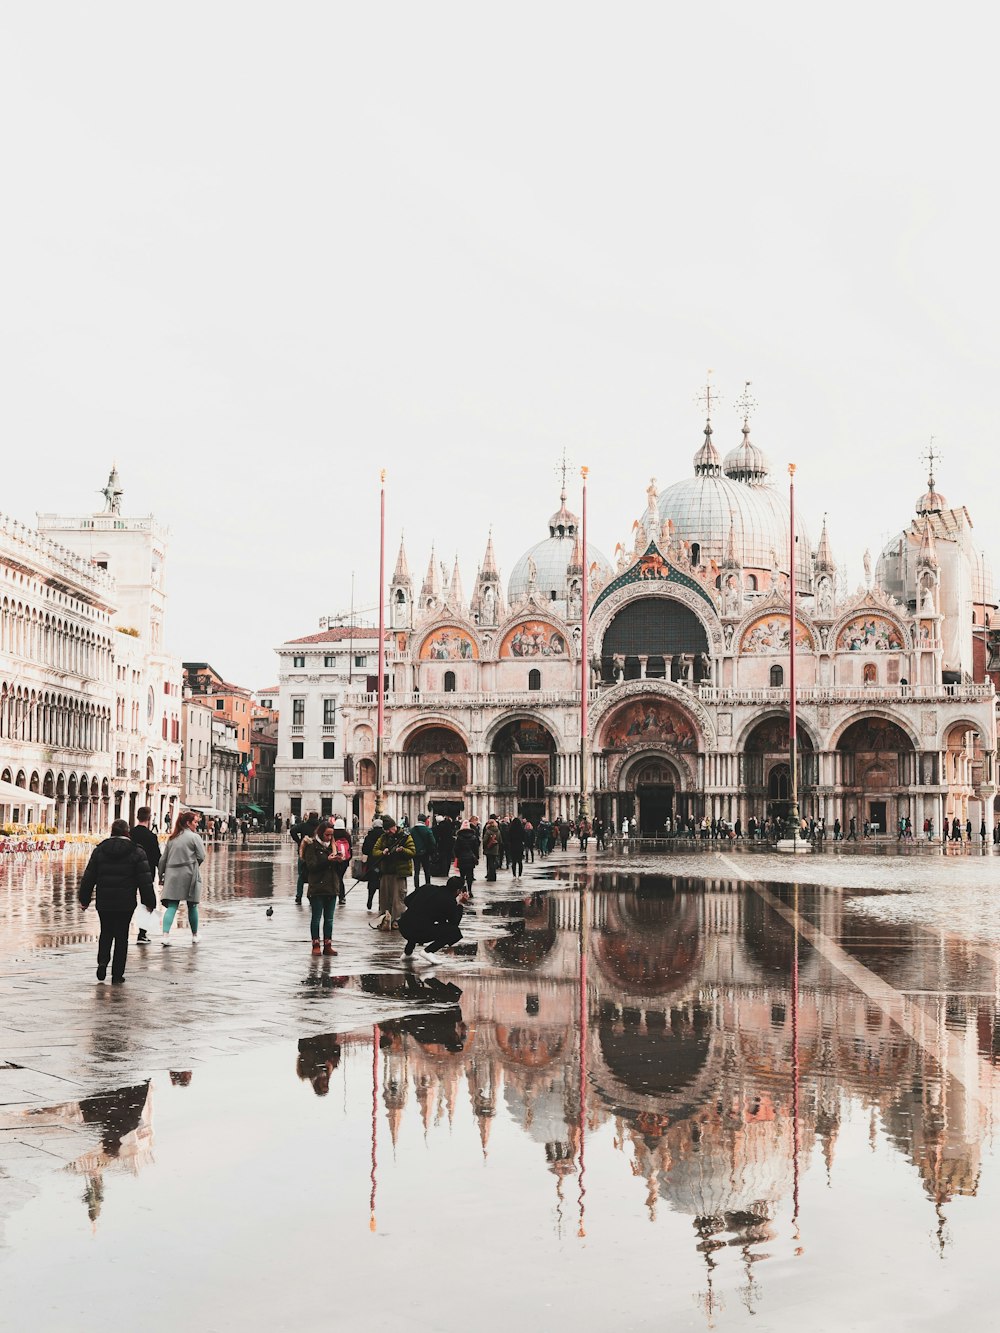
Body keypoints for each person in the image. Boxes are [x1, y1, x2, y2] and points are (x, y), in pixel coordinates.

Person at [78, 818, 156, 983]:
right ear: (127, 832)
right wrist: (149, 902)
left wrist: (84, 899)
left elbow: (89, 877)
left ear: (112, 832)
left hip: (104, 901)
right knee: (122, 937)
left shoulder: (100, 850)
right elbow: (145, 880)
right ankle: (117, 974)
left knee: (106, 932)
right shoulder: (137, 851)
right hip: (125, 902)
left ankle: (102, 962)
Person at [158, 810, 207, 945]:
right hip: (189, 873)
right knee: (192, 905)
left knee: (172, 906)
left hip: (172, 874)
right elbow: (202, 856)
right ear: (188, 823)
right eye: (195, 822)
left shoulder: (172, 838)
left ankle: (165, 936)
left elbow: (163, 860)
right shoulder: (194, 837)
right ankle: (195, 935)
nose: (197, 824)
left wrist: (161, 875)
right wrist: (195, 865)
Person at [398, 874, 468, 964]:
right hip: (417, 931)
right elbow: (454, 923)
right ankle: (428, 951)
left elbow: (407, 900)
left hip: (403, 925)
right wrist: (461, 904)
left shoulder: (427, 887)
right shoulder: (450, 901)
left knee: (417, 920)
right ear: (458, 891)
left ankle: (407, 953)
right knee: (454, 932)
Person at [302, 821, 341, 955]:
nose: (329, 838)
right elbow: (311, 866)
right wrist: (327, 860)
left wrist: (340, 861)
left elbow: (338, 871)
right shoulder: (311, 845)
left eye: (331, 835)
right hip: (317, 887)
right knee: (316, 918)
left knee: (329, 919)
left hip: (331, 886)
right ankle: (315, 945)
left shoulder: (333, 846)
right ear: (320, 833)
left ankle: (328, 944)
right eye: (327, 835)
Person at [371, 816, 416, 929]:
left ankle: (398, 920)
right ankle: (384, 919)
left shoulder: (405, 837)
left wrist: (403, 850)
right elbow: (374, 851)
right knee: (384, 898)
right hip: (385, 872)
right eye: (386, 830)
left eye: (390, 829)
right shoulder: (383, 838)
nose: (388, 832)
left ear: (394, 826)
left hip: (399, 872)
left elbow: (412, 852)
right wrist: (382, 852)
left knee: (398, 898)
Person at [131, 806, 161, 944]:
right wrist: (161, 876)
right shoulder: (152, 837)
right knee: (146, 902)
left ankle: (125, 929)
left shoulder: (130, 834)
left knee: (129, 900)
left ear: (137, 817)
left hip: (130, 871)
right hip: (147, 872)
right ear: (149, 819)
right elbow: (157, 858)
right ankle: (142, 933)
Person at [291, 812, 319, 904]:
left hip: (304, 852)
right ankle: (313, 895)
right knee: (315, 874)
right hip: (316, 853)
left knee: (301, 875)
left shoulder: (303, 825)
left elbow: (292, 831)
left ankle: (299, 896)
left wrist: (299, 841)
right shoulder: (319, 827)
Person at [361, 818, 383, 909]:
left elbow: (364, 850)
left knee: (372, 881)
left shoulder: (369, 836)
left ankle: (370, 899)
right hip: (382, 862)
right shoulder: (384, 836)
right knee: (381, 882)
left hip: (372, 863)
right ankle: (381, 903)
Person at [410, 814, 437, 887]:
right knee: (426, 871)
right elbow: (433, 841)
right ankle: (427, 886)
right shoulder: (427, 830)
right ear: (425, 820)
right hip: (425, 853)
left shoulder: (412, 830)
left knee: (416, 871)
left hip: (415, 853)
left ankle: (416, 887)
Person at [454, 818, 479, 895]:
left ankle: (462, 889)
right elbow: (476, 848)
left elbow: (456, 848)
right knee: (470, 875)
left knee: (462, 875)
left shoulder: (459, 838)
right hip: (470, 858)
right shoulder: (473, 837)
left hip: (462, 858)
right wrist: (476, 857)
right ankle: (470, 890)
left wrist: (457, 856)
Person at [482, 815, 502, 881]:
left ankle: (490, 876)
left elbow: (485, 840)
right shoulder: (498, 831)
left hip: (489, 848)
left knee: (489, 863)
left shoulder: (488, 831)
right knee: (493, 862)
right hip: (495, 848)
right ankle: (494, 876)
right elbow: (500, 840)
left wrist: (485, 845)